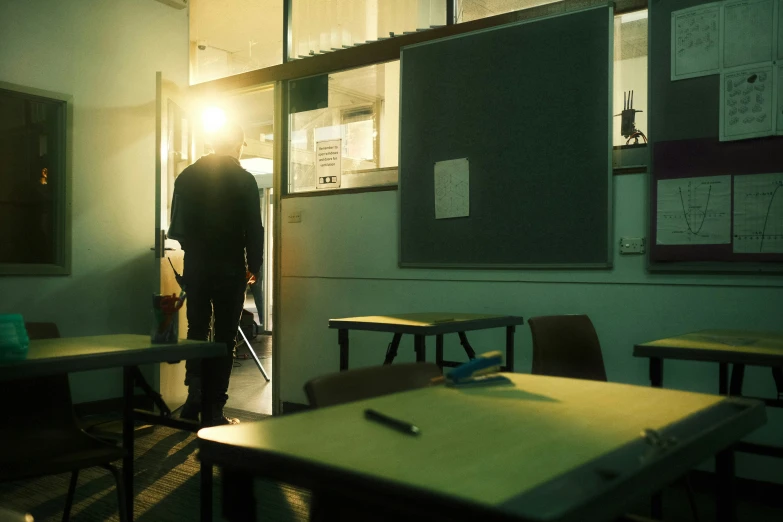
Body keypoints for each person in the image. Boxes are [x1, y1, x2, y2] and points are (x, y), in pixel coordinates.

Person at [167, 122, 263, 426]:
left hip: (196, 265)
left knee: (196, 330)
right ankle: (215, 410)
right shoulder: (244, 180)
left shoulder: (186, 176)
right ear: (238, 144)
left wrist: (196, 251)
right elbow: (254, 227)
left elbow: (177, 228)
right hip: (230, 266)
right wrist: (254, 265)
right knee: (224, 336)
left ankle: (193, 398)